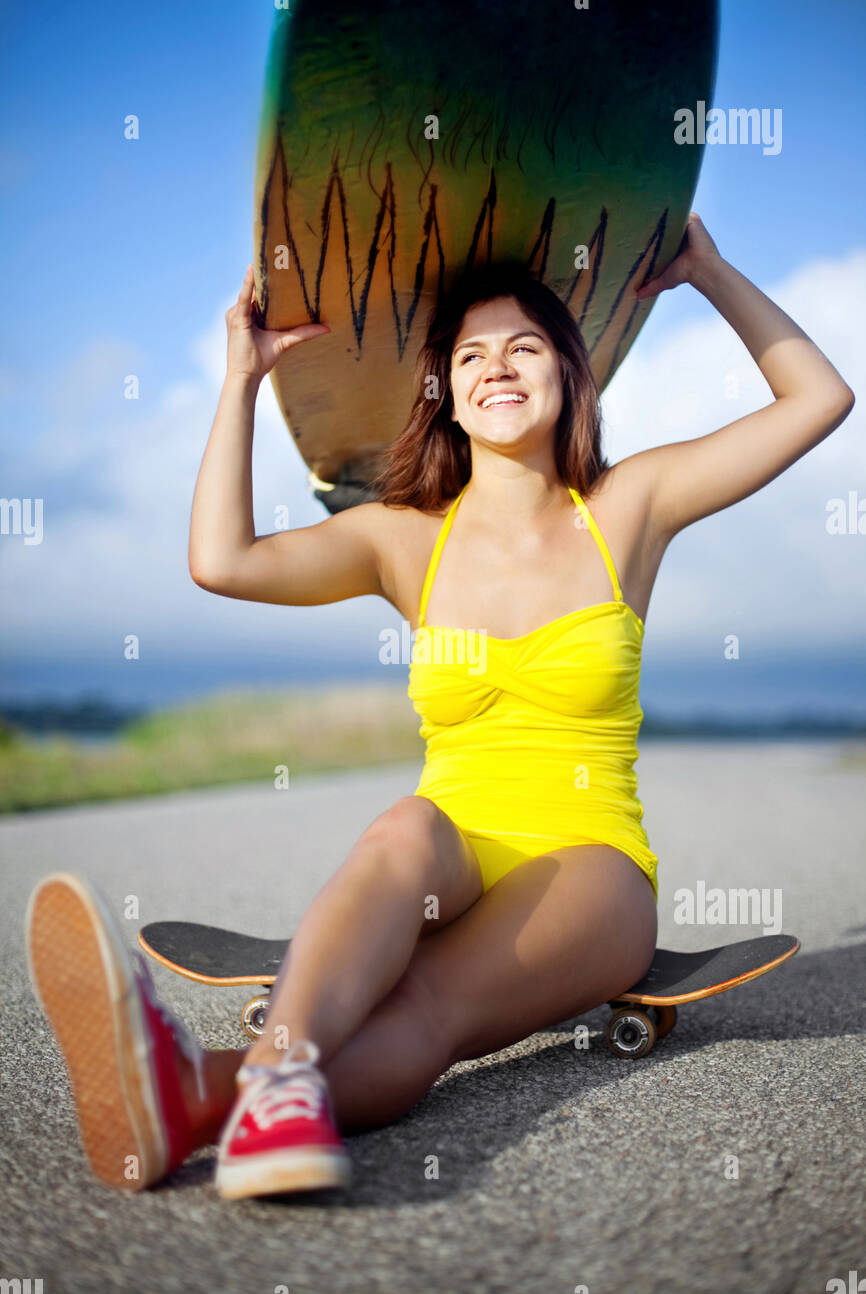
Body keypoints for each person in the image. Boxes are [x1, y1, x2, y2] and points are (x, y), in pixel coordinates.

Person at [27, 215, 853, 1198]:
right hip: (449, 844)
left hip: (586, 864)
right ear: (445, 395)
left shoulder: (630, 505)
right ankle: (260, 1085)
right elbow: (222, 560)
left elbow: (819, 398)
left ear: (567, 375)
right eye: (469, 355)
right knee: (405, 824)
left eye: (524, 347)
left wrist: (708, 272)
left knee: (424, 1000)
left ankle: (201, 1088)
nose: (495, 368)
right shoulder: (404, 539)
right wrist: (240, 376)